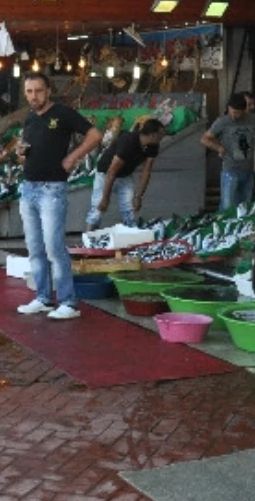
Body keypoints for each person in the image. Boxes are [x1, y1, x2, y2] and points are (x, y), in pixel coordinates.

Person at [15, 72, 103, 321]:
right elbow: (25, 150)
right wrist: (21, 153)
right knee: (34, 247)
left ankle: (68, 302)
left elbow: (95, 135)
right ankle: (43, 297)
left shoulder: (62, 113)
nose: (34, 96)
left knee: (54, 247)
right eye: (30, 91)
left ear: (48, 91)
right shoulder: (30, 118)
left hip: (52, 189)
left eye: (39, 91)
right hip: (28, 187)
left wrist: (72, 157)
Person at [85, 118, 165, 230]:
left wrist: (139, 196)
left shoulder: (153, 146)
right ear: (152, 135)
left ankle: (130, 234)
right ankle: (89, 236)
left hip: (125, 175)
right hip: (105, 174)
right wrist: (105, 198)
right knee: (98, 208)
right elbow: (112, 171)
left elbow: (146, 171)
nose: (163, 137)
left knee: (129, 209)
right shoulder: (129, 141)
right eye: (161, 134)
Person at [201, 93, 255, 211]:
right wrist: (219, 148)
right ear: (229, 108)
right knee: (227, 206)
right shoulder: (222, 122)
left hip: (248, 170)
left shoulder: (254, 119)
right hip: (230, 171)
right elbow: (205, 139)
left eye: (239, 112)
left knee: (244, 207)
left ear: (244, 109)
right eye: (233, 111)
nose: (235, 115)